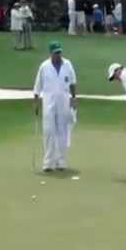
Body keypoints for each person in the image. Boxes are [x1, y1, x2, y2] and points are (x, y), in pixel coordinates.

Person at [33, 41, 78, 172]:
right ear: (51, 53)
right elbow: (37, 86)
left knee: (62, 131)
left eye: (59, 52)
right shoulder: (44, 66)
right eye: (56, 53)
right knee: (48, 131)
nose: (58, 55)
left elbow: (73, 82)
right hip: (48, 101)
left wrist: (74, 98)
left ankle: (61, 161)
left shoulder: (67, 64)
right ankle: (48, 162)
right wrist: (36, 103)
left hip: (64, 100)